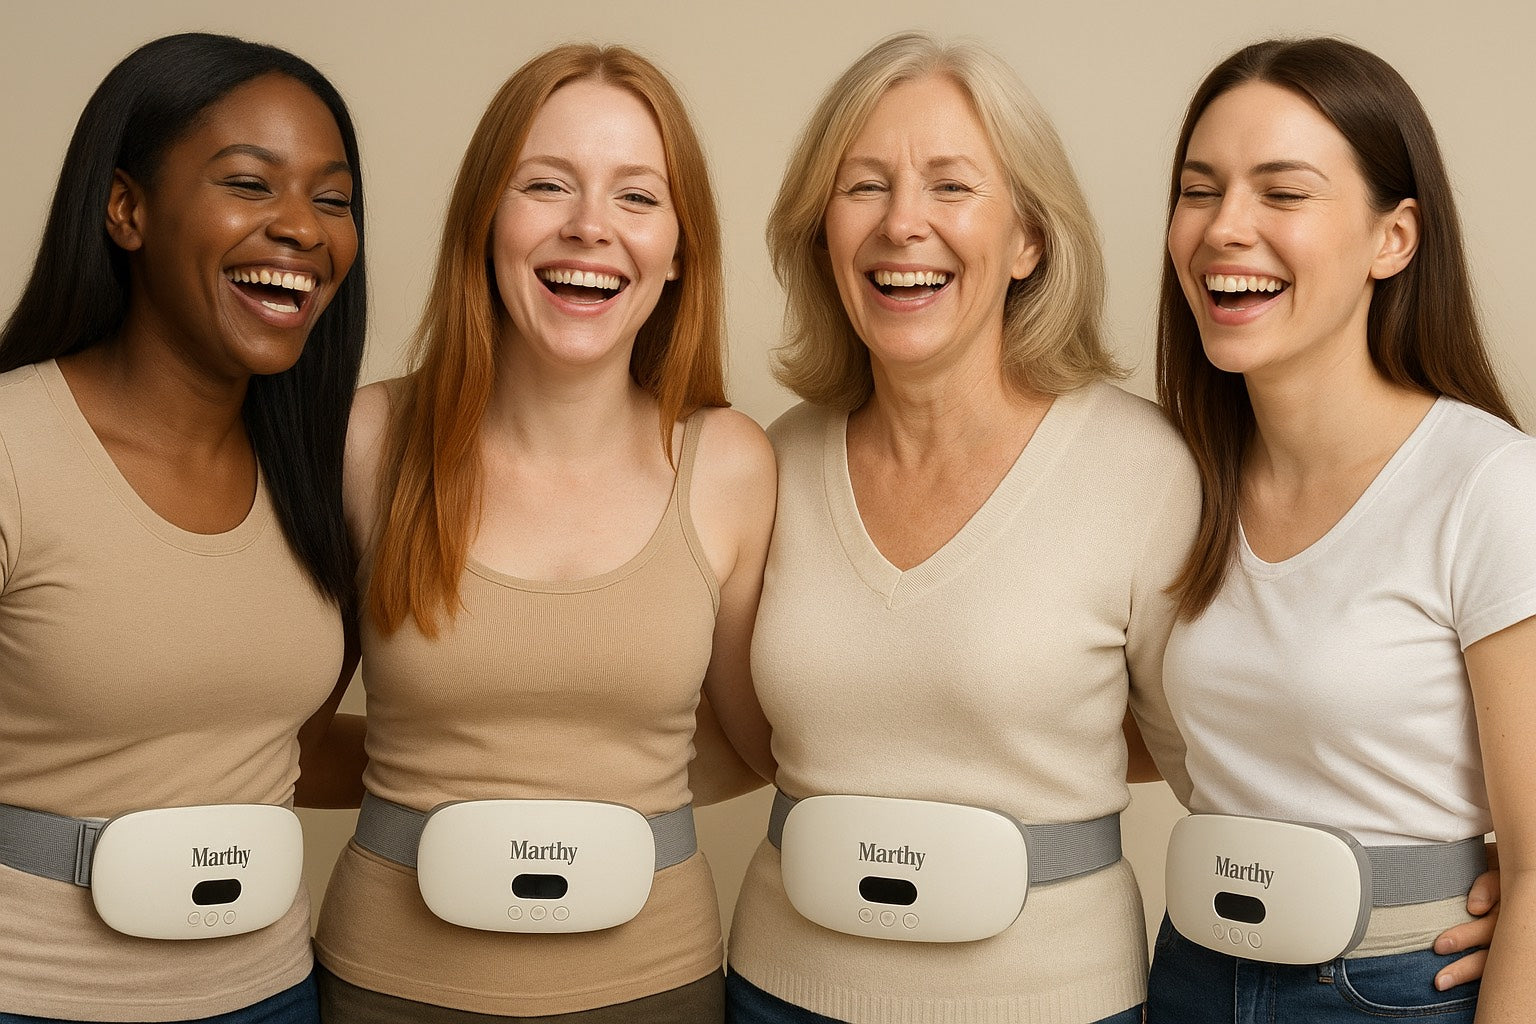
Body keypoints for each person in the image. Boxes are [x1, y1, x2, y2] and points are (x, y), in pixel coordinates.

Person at [722, 32, 1200, 1024]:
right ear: (821, 233)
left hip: (1054, 1002)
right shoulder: (776, 462)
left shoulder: (1141, 468)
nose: (905, 224)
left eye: (951, 186)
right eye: (864, 187)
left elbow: (1196, 744)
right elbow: (753, 733)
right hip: (779, 993)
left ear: (1028, 237)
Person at [308, 43, 775, 1022]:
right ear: (484, 220)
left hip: (655, 986)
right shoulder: (363, 441)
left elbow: (759, 743)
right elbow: (270, 733)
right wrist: (441, 798)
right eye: (546, 184)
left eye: (638, 198)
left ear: (681, 248)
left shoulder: (730, 465)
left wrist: (591, 802)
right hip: (387, 984)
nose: (589, 228)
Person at [1149, 37, 1534, 1021]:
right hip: (1192, 968)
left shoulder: (1485, 484)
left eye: (1283, 193)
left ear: (1392, 238)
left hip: (1398, 990)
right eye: (1200, 190)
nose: (1225, 227)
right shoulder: (1174, 480)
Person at [0, 32, 366, 1024]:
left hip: (271, 993)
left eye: (332, 199)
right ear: (127, 209)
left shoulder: (318, 474)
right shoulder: (13, 449)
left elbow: (276, 747)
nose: (301, 228)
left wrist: (505, 755)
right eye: (251, 183)